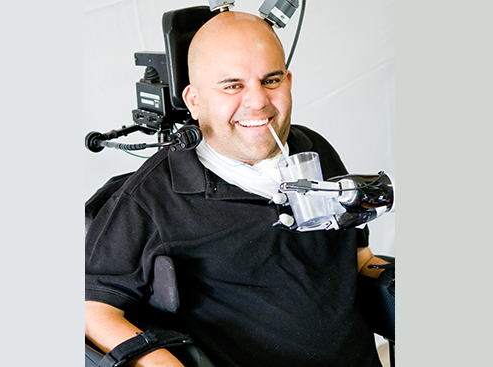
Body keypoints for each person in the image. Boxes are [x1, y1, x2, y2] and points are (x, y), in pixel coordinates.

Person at [85, 10, 389, 367]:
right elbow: (91, 309)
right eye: (233, 86)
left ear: (288, 81)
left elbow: (358, 260)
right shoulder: (149, 200)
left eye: (271, 81)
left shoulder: (314, 150)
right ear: (194, 101)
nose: (258, 101)